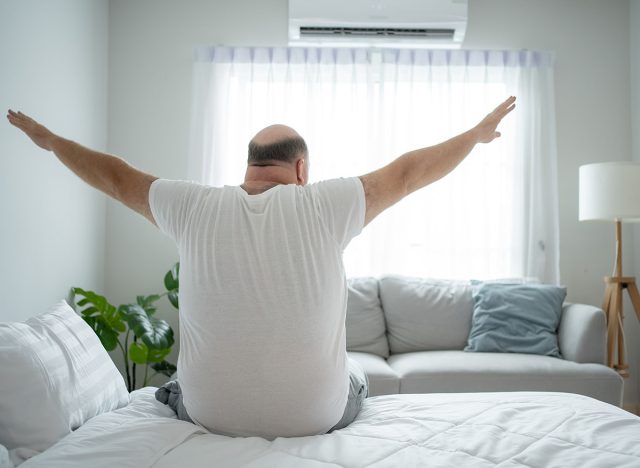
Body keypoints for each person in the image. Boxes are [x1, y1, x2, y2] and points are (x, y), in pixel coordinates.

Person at [6, 96, 516, 439]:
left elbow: (117, 178)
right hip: (317, 420)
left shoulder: (192, 206)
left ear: (249, 165)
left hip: (210, 418)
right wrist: (474, 135)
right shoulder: (325, 204)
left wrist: (52, 141)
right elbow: (407, 173)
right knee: (355, 373)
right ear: (301, 169)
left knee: (174, 388)